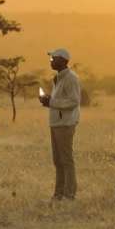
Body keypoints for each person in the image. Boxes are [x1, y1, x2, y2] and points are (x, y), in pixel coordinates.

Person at [39, 47, 81, 200]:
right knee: (58, 161)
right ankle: (59, 193)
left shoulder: (71, 78)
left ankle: (69, 194)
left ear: (63, 61)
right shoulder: (59, 77)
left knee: (66, 160)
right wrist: (49, 101)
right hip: (57, 123)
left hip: (65, 124)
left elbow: (74, 101)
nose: (51, 61)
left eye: (53, 58)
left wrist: (52, 102)